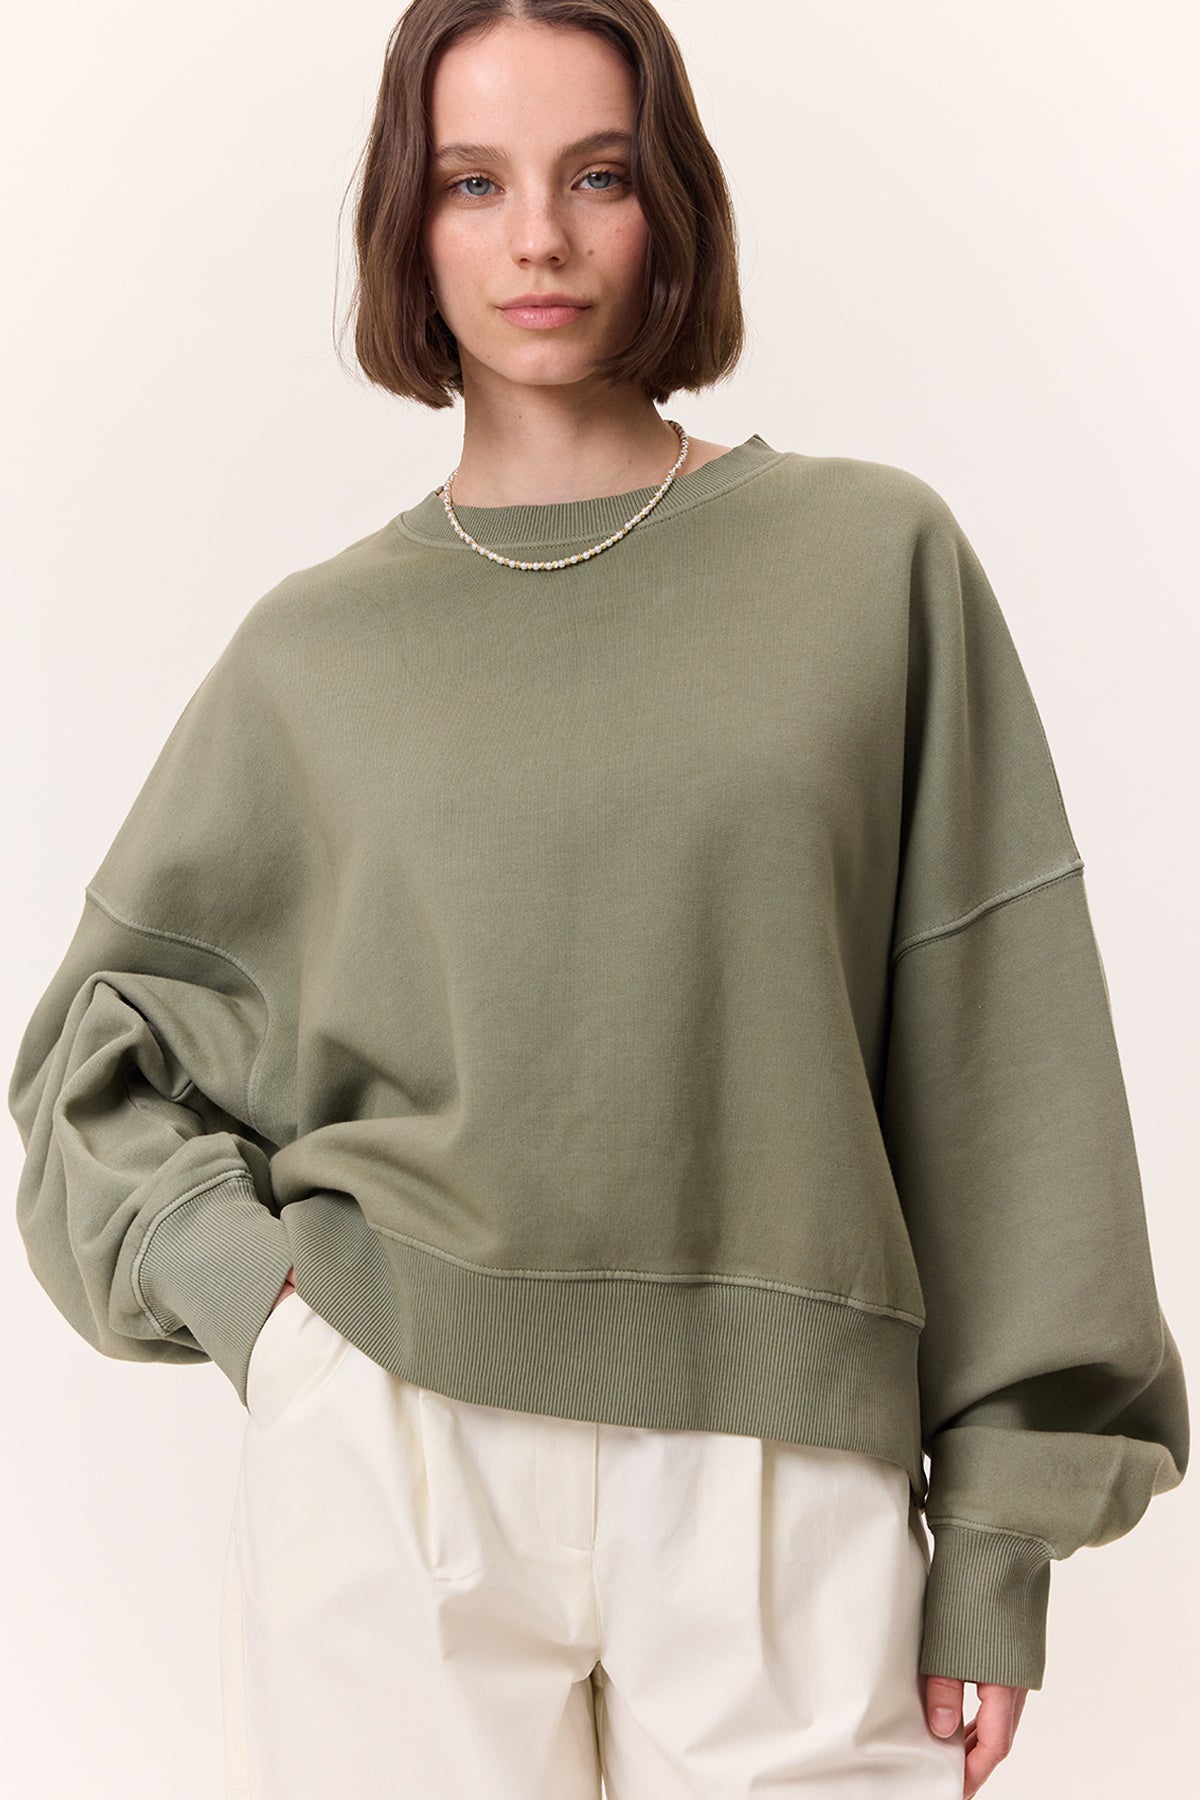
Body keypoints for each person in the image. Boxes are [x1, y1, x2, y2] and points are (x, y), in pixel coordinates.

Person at [8, 2, 1188, 1797]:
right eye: (474, 183)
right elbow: (92, 1064)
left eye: (599, 176)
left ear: (670, 208)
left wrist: (1006, 1527)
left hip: (784, 1470)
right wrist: (274, 1318)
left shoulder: (873, 564)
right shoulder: (313, 652)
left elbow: (1000, 1052)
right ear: (408, 224)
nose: (540, 239)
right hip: (392, 1453)